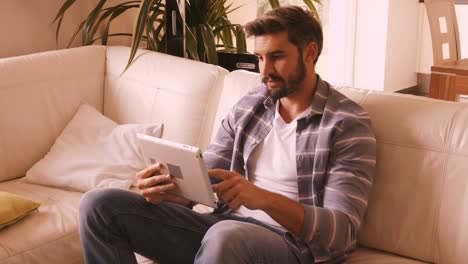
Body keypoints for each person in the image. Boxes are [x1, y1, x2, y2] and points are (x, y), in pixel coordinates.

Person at [79, 5, 376, 264]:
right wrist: (171, 190)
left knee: (225, 234)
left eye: (277, 57)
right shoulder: (252, 104)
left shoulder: (347, 125)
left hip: (291, 247)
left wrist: (263, 199)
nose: (265, 70)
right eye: (260, 58)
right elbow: (208, 173)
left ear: (310, 52)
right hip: (221, 227)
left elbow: (342, 231)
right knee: (99, 205)